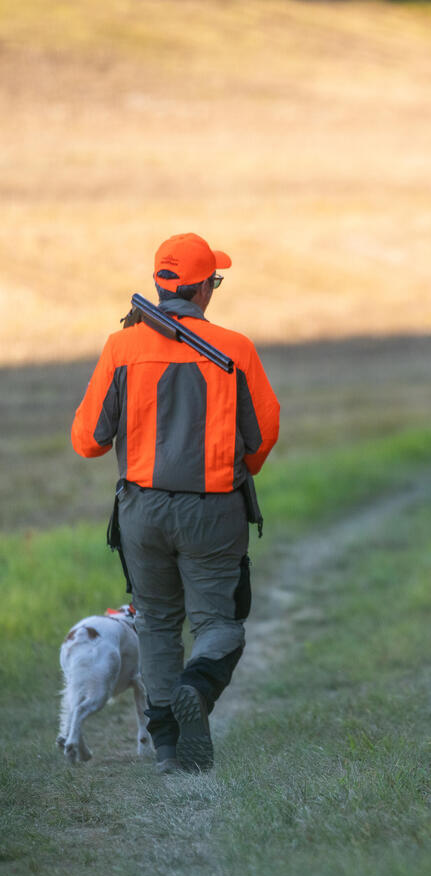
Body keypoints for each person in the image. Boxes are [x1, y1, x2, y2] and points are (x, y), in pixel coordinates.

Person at [72, 233, 280, 772]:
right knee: (219, 625)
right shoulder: (235, 349)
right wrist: (238, 470)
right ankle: (196, 688)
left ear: (161, 286)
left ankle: (167, 748)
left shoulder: (123, 348)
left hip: (142, 512)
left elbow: (88, 439)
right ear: (206, 287)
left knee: (158, 624)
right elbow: (261, 439)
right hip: (213, 510)